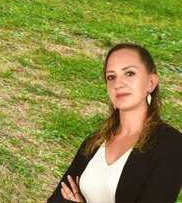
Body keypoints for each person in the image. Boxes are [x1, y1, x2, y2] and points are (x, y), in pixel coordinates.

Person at [49, 43, 182, 202]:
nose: (118, 84)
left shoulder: (172, 144)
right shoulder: (95, 141)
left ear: (151, 83)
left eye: (130, 73)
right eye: (111, 77)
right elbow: (58, 198)